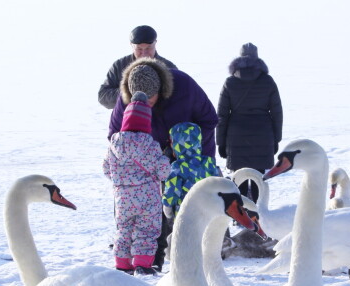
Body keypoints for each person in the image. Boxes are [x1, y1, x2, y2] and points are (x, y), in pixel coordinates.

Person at [108, 57, 218, 271]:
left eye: (150, 100)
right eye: (139, 102)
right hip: (149, 163)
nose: (146, 105)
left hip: (190, 157)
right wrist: (135, 158)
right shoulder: (126, 99)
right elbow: (114, 136)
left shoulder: (184, 86)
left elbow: (209, 119)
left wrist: (188, 151)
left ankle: (209, 249)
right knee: (150, 212)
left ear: (162, 90)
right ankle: (151, 261)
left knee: (191, 205)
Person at [103, 91, 170, 275]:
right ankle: (143, 264)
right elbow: (163, 172)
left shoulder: (114, 144)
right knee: (147, 231)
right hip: (148, 198)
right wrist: (167, 158)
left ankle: (122, 264)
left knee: (124, 231)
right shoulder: (150, 145)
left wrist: (122, 180)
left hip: (122, 198)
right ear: (146, 123)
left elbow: (106, 169)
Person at [216, 42, 283, 203]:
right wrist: (276, 138)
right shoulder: (268, 81)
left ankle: (241, 213)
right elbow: (277, 112)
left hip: (236, 136)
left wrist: (221, 142)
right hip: (262, 135)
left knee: (239, 178)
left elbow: (222, 115)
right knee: (259, 177)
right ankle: (258, 214)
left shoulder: (230, 82)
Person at [162, 122, 219, 257]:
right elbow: (217, 184)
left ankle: (186, 259)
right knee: (204, 236)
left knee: (185, 239)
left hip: (185, 213)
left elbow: (172, 190)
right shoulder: (209, 163)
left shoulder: (177, 167)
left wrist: (167, 207)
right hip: (208, 211)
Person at [98, 25, 177, 110]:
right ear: (131, 45)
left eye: (148, 48)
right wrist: (128, 92)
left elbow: (179, 97)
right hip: (128, 118)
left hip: (160, 119)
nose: (144, 53)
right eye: (139, 49)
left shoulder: (169, 68)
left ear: (155, 43)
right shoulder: (119, 66)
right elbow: (103, 96)